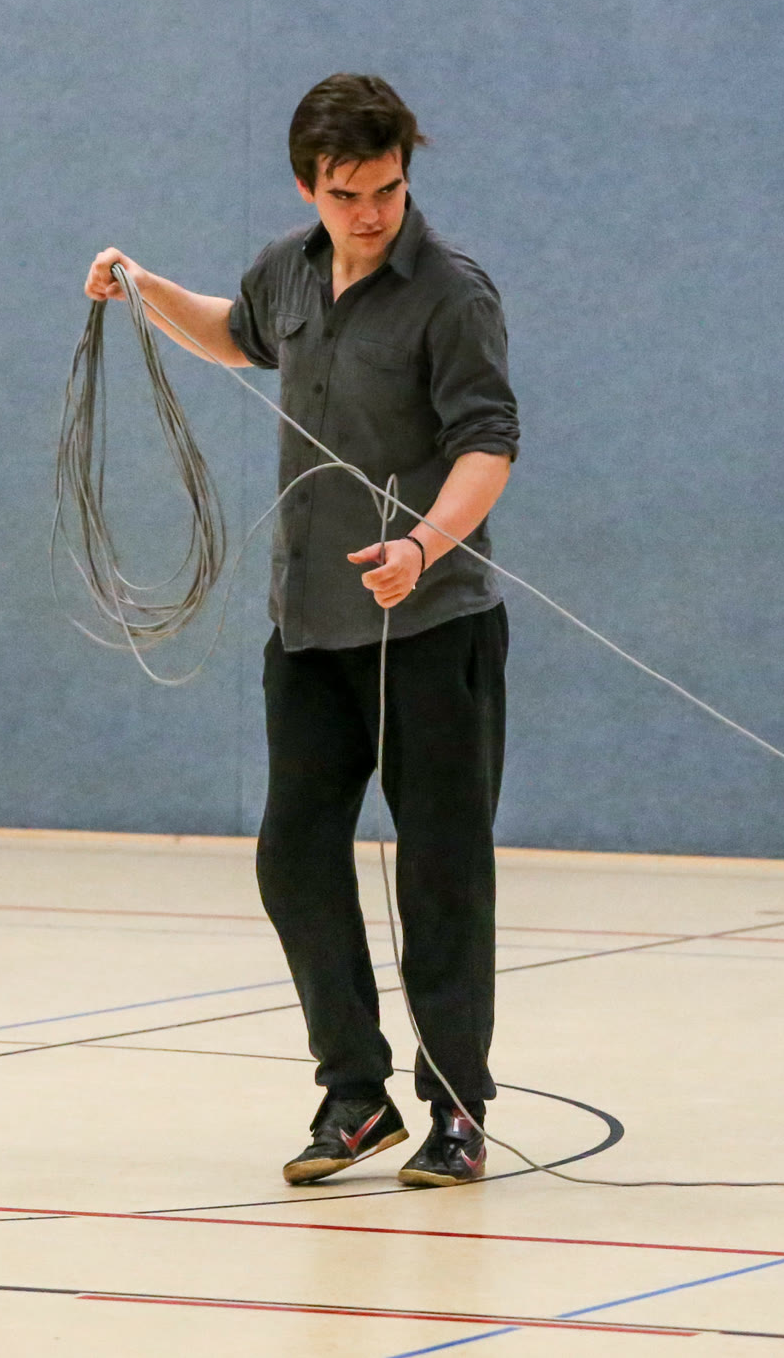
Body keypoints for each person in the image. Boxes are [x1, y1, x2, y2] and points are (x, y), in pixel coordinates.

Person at [83, 73, 516, 1187]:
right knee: (293, 855)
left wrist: (421, 546)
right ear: (306, 188)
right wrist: (141, 286)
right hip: (312, 627)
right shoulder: (287, 269)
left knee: (441, 873)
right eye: (346, 194)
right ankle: (355, 1093)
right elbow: (236, 336)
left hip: (432, 629)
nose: (371, 214)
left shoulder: (452, 293)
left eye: (388, 190)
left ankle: (457, 1110)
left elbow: (487, 444)